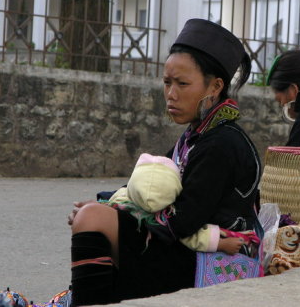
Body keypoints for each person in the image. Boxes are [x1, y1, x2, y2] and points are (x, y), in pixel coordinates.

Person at [67, 18, 262, 305]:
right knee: (95, 213)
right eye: (167, 82)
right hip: (190, 248)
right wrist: (108, 203)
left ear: (215, 86)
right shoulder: (198, 134)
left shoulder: (222, 143)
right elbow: (147, 187)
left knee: (94, 219)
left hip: (214, 260)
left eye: (182, 84)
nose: (171, 94)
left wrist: (108, 213)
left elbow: (181, 222)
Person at [108, 152, 259, 255]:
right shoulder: (168, 217)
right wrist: (222, 244)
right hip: (154, 254)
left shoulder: (122, 199)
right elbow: (193, 237)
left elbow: (109, 202)